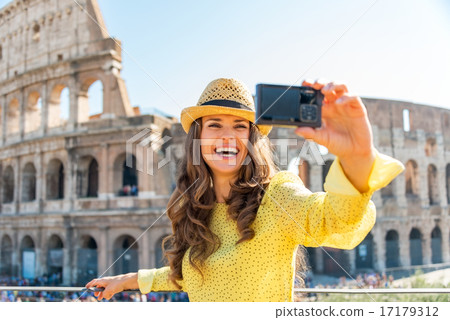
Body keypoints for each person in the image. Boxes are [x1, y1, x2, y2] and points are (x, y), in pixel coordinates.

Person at [86, 78, 405, 302]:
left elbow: (338, 222)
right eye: (215, 125)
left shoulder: (277, 195)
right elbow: (191, 274)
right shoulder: (195, 208)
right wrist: (127, 280)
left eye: (240, 126)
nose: (228, 136)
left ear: (252, 141)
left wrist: (356, 155)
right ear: (197, 139)